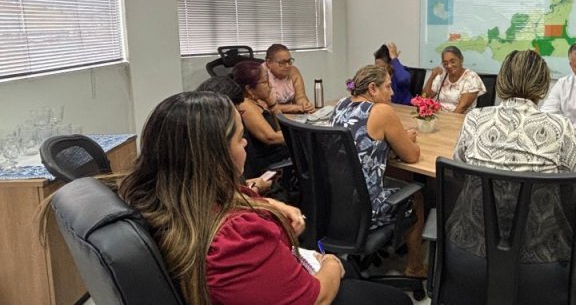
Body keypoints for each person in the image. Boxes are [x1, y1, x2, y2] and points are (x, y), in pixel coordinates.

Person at [118, 92, 411, 305]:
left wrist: (275, 206)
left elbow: (236, 195)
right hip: (310, 290)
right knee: (393, 299)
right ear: (214, 157)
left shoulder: (166, 195)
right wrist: (331, 263)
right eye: (239, 138)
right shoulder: (234, 240)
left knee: (354, 273)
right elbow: (315, 299)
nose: (246, 143)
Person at [447, 50, 576, 271]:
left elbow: (457, 173)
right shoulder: (560, 127)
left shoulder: (474, 119)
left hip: (472, 249)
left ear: (502, 80)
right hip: (539, 258)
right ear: (543, 84)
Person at [331, 65, 426, 277]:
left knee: (396, 179)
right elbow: (412, 156)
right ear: (372, 88)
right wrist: (407, 139)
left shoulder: (340, 104)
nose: (392, 93)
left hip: (336, 202)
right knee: (417, 196)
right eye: (388, 87)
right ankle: (415, 267)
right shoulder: (381, 111)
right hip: (365, 208)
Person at [196, 75, 275, 195]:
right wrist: (255, 188)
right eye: (237, 110)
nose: (244, 142)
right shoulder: (227, 136)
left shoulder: (196, 133)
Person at [232, 60, 291, 179]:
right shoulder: (246, 106)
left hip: (277, 153)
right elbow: (271, 137)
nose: (270, 86)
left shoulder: (257, 102)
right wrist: (300, 134)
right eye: (265, 82)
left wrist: (273, 105)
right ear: (249, 89)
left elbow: (280, 127)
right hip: (266, 163)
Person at [422, 45, 485, 114]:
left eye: (453, 62)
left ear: (461, 60)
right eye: (445, 63)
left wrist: (446, 122)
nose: (449, 66)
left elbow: (461, 108)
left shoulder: (471, 77)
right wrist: (432, 76)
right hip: (438, 116)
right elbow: (425, 97)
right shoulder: (443, 75)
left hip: (458, 118)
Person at [265, 43, 315, 114]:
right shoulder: (260, 74)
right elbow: (264, 106)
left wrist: (305, 105)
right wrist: (295, 108)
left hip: (290, 115)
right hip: (270, 116)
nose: (287, 66)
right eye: (282, 62)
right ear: (269, 63)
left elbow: (300, 97)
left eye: (289, 61)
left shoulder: (293, 71)